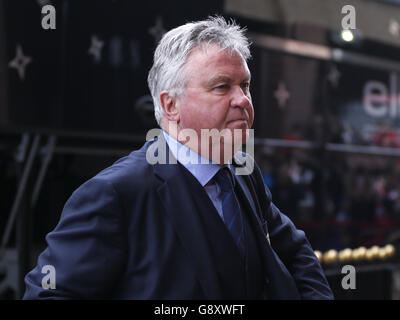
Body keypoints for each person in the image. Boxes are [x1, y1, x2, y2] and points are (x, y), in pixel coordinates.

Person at [23, 16, 333, 299]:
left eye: (245, 85)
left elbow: (295, 254)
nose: (242, 99)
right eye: (222, 86)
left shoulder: (242, 170)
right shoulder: (114, 194)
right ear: (171, 105)